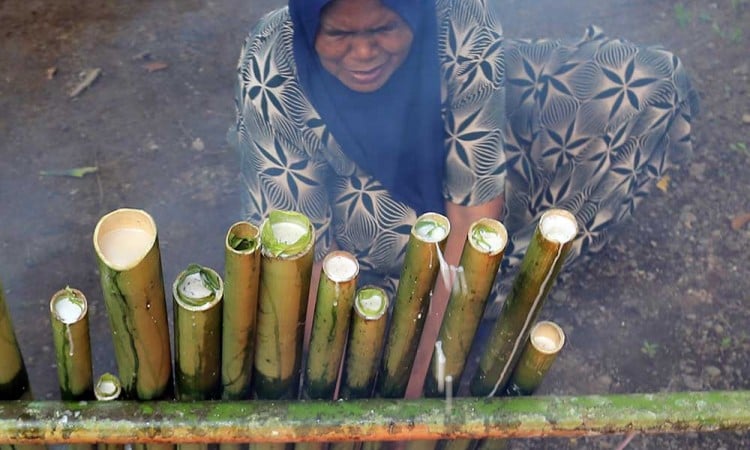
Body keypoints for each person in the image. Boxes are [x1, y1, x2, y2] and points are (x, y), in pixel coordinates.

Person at [231, 0, 697, 396]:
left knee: (648, 84)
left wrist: (426, 375)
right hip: (357, 224)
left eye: (385, 27)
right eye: (338, 34)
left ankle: (479, 292)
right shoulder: (274, 61)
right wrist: (329, 390)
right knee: (361, 285)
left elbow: (474, 209)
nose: (364, 51)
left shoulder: (456, 18)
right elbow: (302, 260)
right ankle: (409, 303)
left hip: (472, 164)